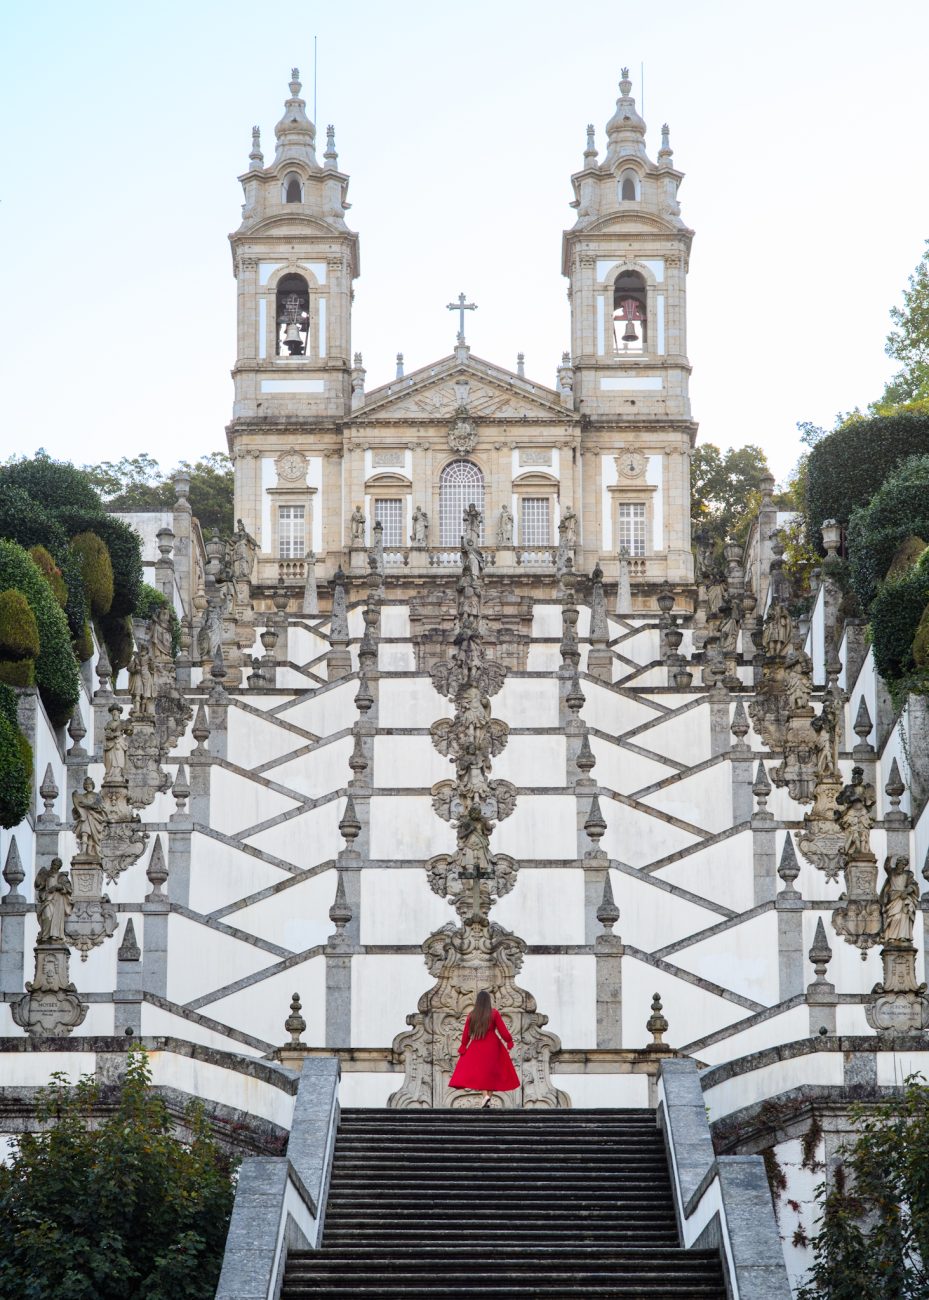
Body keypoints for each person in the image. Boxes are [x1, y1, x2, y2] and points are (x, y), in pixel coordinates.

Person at [448, 989, 520, 1108]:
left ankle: (485, 1097)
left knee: (481, 1073)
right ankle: (488, 1098)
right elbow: (503, 1031)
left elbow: (466, 1033)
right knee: (490, 1074)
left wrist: (463, 1046)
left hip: (477, 1045)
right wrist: (509, 1041)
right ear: (488, 1001)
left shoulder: (472, 1015)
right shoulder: (494, 1013)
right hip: (493, 1046)